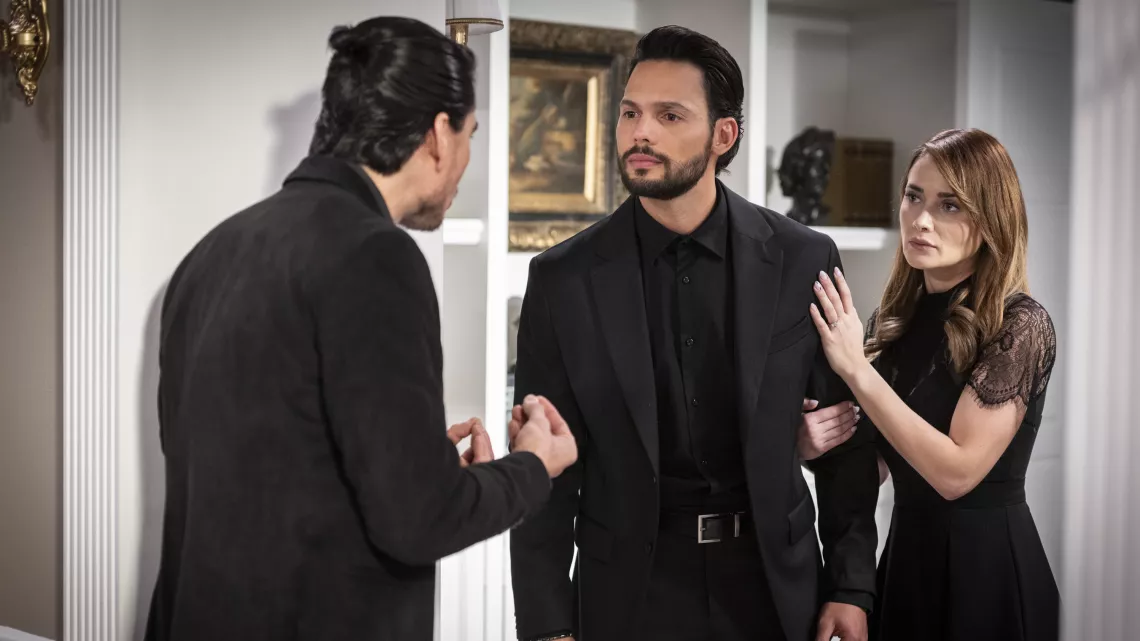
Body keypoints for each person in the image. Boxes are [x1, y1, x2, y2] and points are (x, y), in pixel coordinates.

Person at [144, 17, 577, 641]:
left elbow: (264, 471)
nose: (465, 162)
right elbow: (420, 521)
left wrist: (420, 461)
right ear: (438, 135)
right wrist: (533, 466)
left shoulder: (211, 253)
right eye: (470, 135)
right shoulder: (377, 255)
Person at [508, 25, 879, 641]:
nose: (640, 133)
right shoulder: (561, 279)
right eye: (630, 112)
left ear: (722, 135)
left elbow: (845, 438)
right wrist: (548, 628)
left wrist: (851, 586)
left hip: (774, 589)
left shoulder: (803, 258)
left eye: (669, 115)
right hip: (629, 596)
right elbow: (544, 466)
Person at [801, 128, 1059, 640]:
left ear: (991, 219)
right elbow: (875, 465)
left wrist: (856, 370)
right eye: (914, 197)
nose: (920, 219)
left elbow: (955, 474)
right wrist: (812, 445)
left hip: (990, 573)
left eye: (949, 205)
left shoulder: (1021, 324)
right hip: (905, 566)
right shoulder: (891, 324)